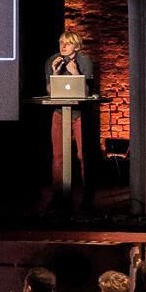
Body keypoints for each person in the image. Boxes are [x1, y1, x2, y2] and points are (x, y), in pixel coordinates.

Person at [45, 29, 95, 192]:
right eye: (61, 42)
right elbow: (50, 92)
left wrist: (75, 73)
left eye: (68, 43)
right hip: (60, 112)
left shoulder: (84, 61)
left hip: (80, 114)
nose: (63, 46)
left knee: (83, 155)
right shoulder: (53, 60)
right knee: (58, 155)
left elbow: (86, 92)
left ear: (77, 47)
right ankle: (59, 194)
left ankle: (87, 194)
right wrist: (55, 73)